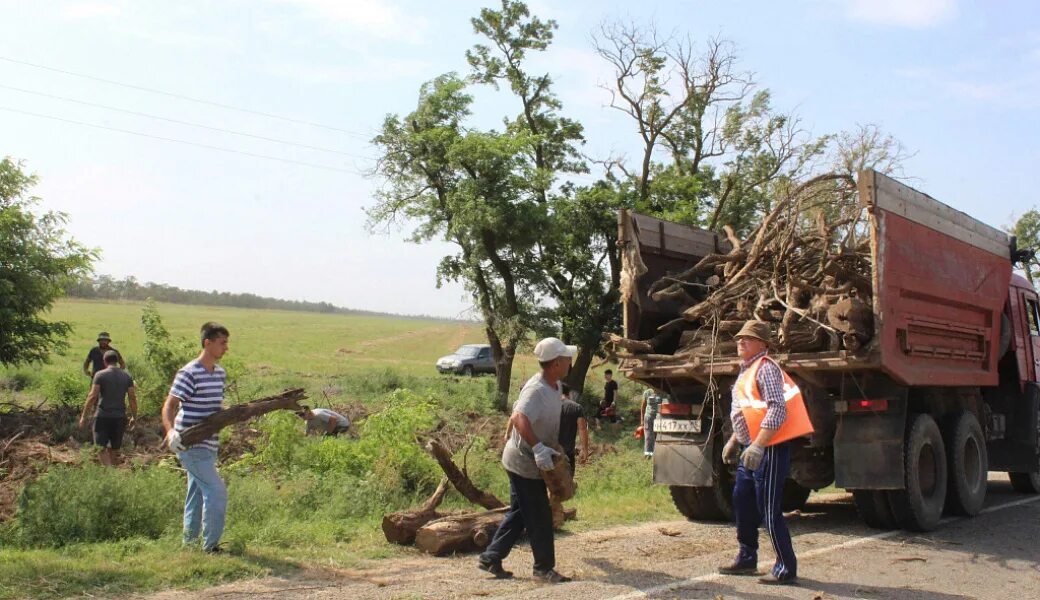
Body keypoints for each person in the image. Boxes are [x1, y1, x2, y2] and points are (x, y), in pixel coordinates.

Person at [717, 320, 813, 586]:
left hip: (768, 449)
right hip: (751, 448)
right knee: (742, 500)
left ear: (763, 344)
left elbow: (777, 409)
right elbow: (750, 410)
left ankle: (785, 567)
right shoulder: (747, 370)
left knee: (768, 509)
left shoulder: (766, 368)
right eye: (739, 338)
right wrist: (735, 440)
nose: (741, 341)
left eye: (748, 338)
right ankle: (747, 557)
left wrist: (759, 444)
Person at [478, 337, 575, 584]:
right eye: (566, 358)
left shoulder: (556, 386)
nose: (570, 361)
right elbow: (520, 417)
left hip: (531, 459)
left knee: (520, 512)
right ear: (555, 364)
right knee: (540, 516)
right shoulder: (537, 389)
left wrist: (550, 447)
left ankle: (491, 557)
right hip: (523, 462)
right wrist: (538, 447)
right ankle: (543, 569)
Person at [162, 322, 231, 553]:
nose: (226, 348)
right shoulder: (189, 372)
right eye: (222, 343)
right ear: (207, 343)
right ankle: (210, 547)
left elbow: (214, 406)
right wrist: (170, 431)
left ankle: (189, 544)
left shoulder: (220, 374)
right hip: (190, 443)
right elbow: (170, 405)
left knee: (197, 493)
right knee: (216, 491)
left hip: (209, 443)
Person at [78, 350, 137, 466]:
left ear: (105, 361)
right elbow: (132, 398)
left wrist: (84, 416)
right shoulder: (127, 376)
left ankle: (109, 472)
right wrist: (134, 416)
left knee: (100, 447)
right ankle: (112, 473)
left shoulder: (100, 375)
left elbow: (92, 396)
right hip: (120, 417)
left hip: (102, 416)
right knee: (114, 448)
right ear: (117, 362)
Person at [558, 384, 589, 476]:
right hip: (567, 453)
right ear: (568, 394)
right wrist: (585, 450)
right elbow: (582, 429)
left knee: (551, 485)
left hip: (550, 452)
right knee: (567, 484)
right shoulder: (576, 407)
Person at [639, 388, 665, 458]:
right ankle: (647, 454)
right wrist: (641, 419)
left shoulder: (663, 392)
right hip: (648, 417)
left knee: (656, 436)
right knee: (648, 436)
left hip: (658, 417)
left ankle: (655, 454)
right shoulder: (647, 392)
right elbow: (643, 407)